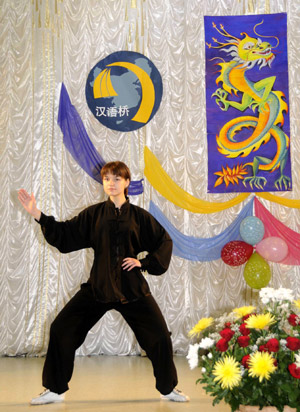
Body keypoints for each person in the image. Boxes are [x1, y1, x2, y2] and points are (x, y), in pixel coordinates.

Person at [18, 161, 189, 405]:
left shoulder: (140, 217)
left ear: (127, 183)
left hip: (132, 290)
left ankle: (167, 388)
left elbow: (164, 242)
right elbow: (66, 235)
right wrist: (37, 214)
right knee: (61, 328)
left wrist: (144, 263)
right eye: (107, 178)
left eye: (117, 178)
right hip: (98, 288)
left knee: (160, 336)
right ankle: (55, 390)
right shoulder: (94, 214)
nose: (111, 183)